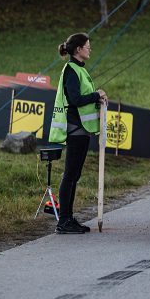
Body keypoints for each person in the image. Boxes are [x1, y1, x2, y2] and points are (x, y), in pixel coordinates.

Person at [49, 33, 108, 234]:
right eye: (87, 46)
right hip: (75, 129)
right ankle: (63, 221)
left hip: (82, 130)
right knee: (70, 175)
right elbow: (75, 99)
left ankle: (68, 219)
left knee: (74, 175)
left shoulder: (79, 70)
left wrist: (97, 97)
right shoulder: (71, 70)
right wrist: (95, 95)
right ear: (78, 50)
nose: (90, 49)